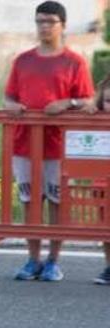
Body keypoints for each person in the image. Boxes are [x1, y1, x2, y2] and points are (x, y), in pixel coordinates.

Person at [4, 0, 93, 282]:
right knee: (29, 202)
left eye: (50, 21)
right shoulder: (23, 60)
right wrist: (10, 106)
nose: (44, 26)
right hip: (24, 144)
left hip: (58, 146)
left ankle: (54, 261)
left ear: (62, 25)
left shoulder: (74, 61)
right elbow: (9, 97)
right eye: (40, 21)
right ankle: (32, 259)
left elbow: (89, 101)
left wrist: (68, 102)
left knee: (56, 202)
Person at [89, 75, 110, 285]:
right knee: (105, 226)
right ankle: (109, 266)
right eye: (108, 101)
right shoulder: (95, 122)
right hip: (102, 183)